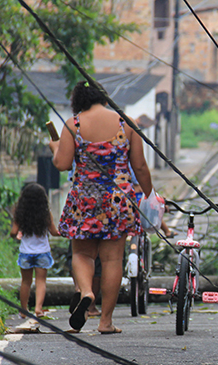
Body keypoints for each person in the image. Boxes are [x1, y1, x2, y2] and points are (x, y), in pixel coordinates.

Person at [49, 80, 153, 333]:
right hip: (118, 201)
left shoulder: (73, 124)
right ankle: (105, 322)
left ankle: (86, 292)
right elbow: (139, 166)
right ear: (103, 98)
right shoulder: (125, 122)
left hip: (84, 199)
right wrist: (150, 196)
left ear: (78, 101)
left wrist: (55, 149)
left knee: (83, 255)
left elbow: (62, 164)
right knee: (112, 260)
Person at [10, 183, 60, 318]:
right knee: (41, 281)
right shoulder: (46, 214)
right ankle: (38, 308)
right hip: (42, 252)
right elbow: (54, 232)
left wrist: (16, 235)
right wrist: (65, 232)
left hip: (26, 252)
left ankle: (24, 310)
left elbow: (13, 232)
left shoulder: (20, 214)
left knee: (26, 282)